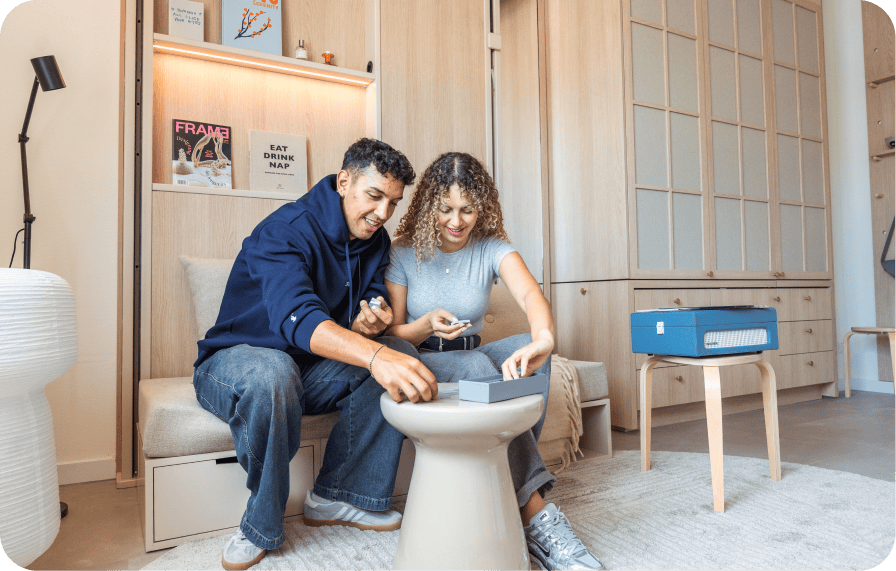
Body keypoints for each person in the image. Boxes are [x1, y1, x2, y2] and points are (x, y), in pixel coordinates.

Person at [194, 139, 454, 571]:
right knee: (275, 373)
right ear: (344, 181)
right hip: (237, 361)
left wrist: (368, 323)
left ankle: (337, 495)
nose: (383, 214)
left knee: (398, 349)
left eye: (393, 202)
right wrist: (371, 356)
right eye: (374, 196)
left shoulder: (374, 239)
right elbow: (298, 318)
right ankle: (260, 523)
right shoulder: (285, 229)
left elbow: (368, 302)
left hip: (306, 368)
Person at [384, 152, 606, 571]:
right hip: (424, 357)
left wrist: (543, 338)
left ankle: (508, 481)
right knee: (477, 370)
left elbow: (529, 296)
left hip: (472, 354)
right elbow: (393, 333)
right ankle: (536, 513)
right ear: (429, 204)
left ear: (481, 206)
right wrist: (426, 325)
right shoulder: (403, 252)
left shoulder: (491, 247)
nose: (456, 221)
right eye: (446, 209)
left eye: (467, 209)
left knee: (528, 355)